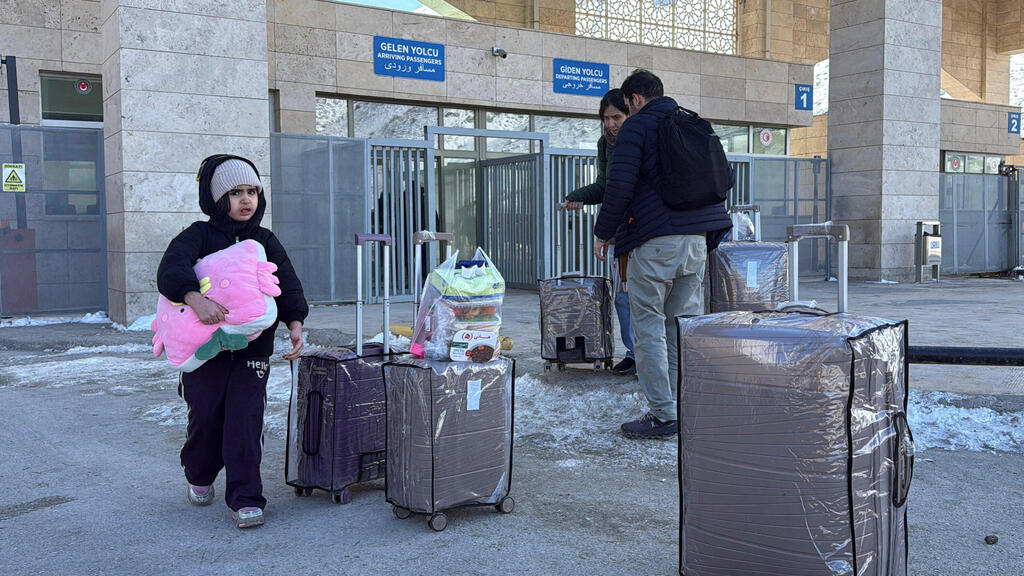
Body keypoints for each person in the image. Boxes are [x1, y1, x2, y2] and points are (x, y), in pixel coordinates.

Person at [157, 155, 308, 528]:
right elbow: (170, 270)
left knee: (245, 420)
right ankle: (199, 472)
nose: (246, 200)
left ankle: (245, 498)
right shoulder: (198, 235)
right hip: (204, 352)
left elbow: (286, 283)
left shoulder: (265, 240)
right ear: (215, 198)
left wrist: (295, 322)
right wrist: (195, 298)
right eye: (236, 192)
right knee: (206, 420)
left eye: (252, 191)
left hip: (252, 350)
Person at [592, 70, 731, 439]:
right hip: (697, 242)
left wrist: (603, 232)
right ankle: (682, 406)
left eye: (626, 105)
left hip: (655, 243)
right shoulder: (693, 123)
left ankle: (661, 413)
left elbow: (619, 187)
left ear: (635, 99)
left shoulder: (637, 129)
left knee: (649, 328)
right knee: (682, 328)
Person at [562, 88, 636, 376]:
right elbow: (606, 187)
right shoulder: (605, 145)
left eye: (616, 117)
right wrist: (578, 195)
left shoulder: (639, 140)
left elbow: (622, 189)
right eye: (606, 118)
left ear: (630, 112)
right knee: (623, 297)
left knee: (640, 299)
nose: (610, 124)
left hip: (643, 230)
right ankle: (633, 352)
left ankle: (648, 355)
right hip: (620, 234)